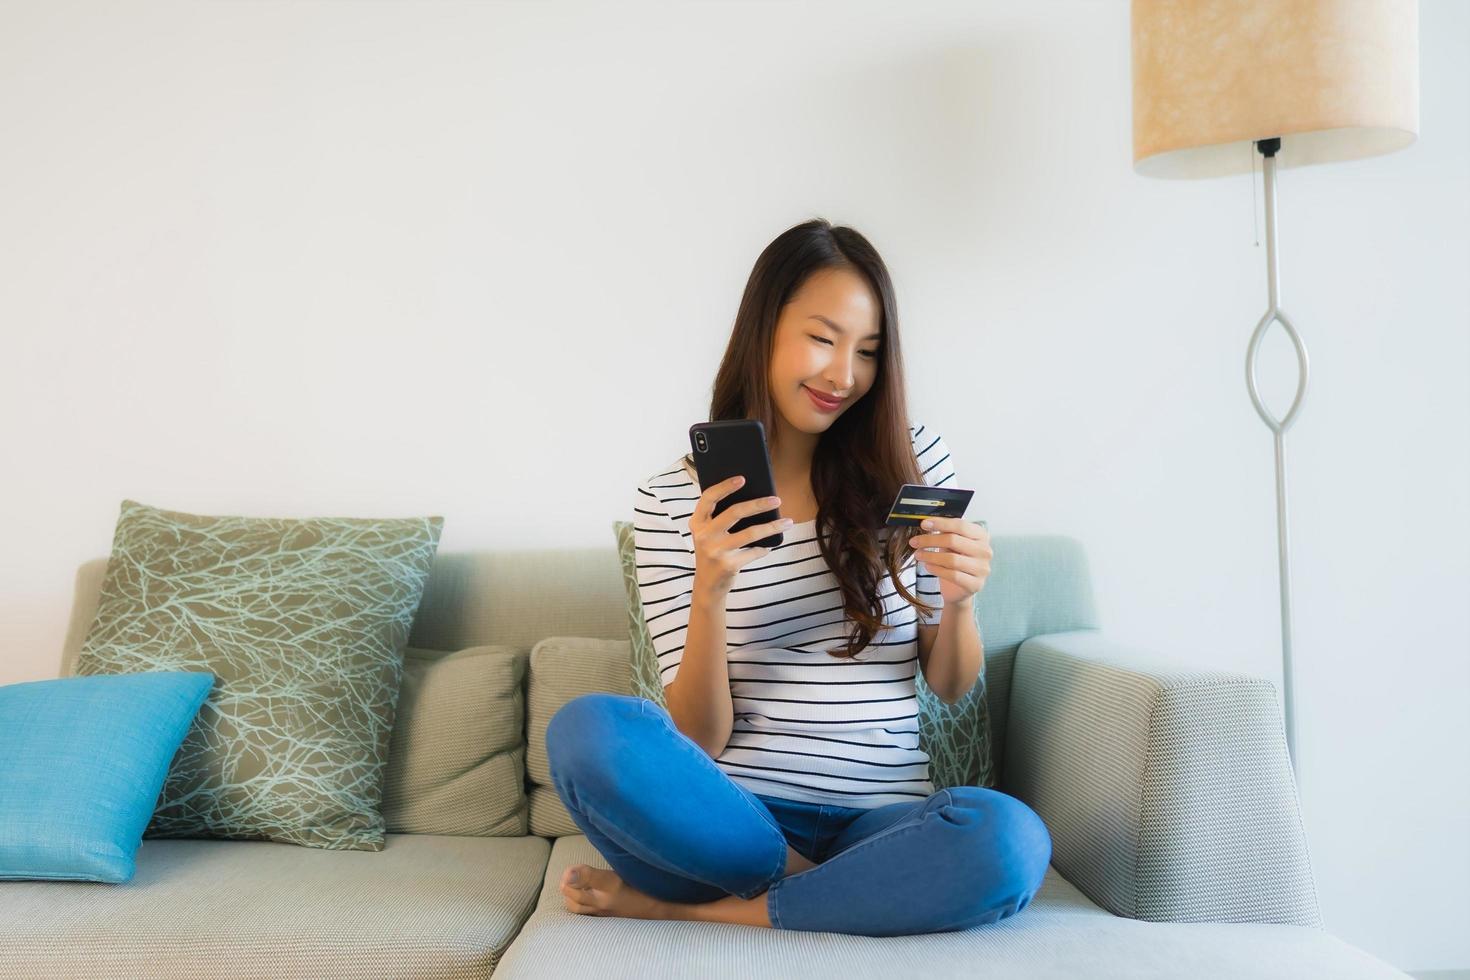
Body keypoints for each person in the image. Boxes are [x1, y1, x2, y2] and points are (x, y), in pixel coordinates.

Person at [545, 217, 1051, 936]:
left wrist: (962, 602)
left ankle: (692, 909)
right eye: (823, 338)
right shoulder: (669, 500)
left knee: (1011, 839)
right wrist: (711, 591)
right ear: (765, 326)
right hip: (723, 826)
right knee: (587, 729)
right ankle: (828, 897)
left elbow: (950, 682)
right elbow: (697, 737)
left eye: (868, 351)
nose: (844, 375)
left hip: (880, 824)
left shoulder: (911, 462)